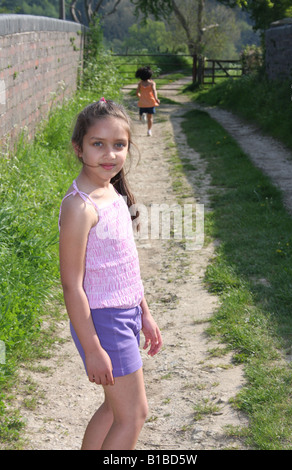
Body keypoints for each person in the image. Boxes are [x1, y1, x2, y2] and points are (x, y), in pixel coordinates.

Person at [58, 98, 162, 450]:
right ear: (78, 147)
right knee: (133, 415)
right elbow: (71, 286)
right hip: (104, 321)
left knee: (114, 409)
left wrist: (144, 313)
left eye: (119, 145)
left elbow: (125, 266)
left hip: (126, 314)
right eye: (97, 144)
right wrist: (93, 349)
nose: (110, 154)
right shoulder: (79, 207)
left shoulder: (112, 191)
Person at [135, 66, 160, 136]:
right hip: (150, 102)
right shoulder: (152, 83)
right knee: (150, 117)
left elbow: (137, 93)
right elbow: (154, 91)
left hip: (142, 102)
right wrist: (156, 99)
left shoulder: (140, 83)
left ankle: (142, 116)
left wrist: (140, 96)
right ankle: (149, 131)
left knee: (141, 115)